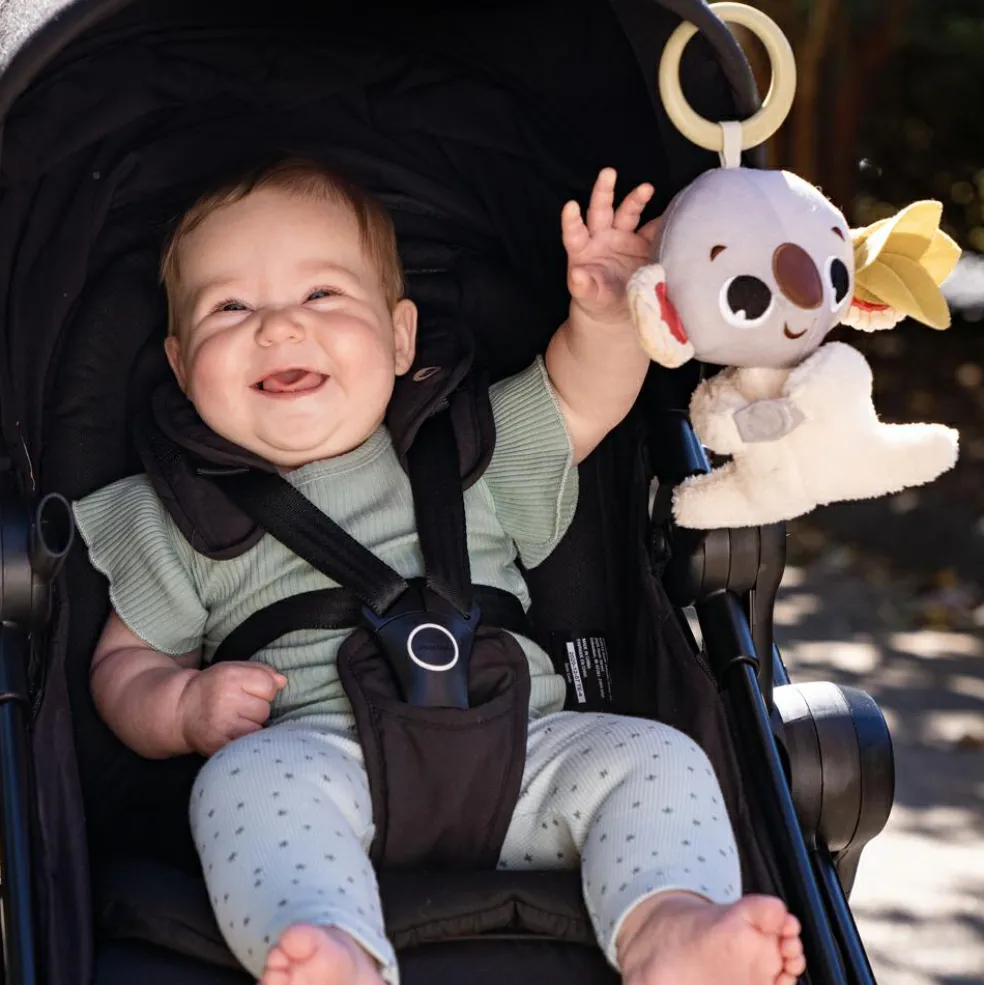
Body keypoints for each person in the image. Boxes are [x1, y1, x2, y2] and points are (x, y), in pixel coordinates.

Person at [74, 159, 806, 985]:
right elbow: (124, 665)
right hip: (328, 767)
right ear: (179, 365)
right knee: (242, 784)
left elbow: (580, 400)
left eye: (321, 297)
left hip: (526, 759)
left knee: (656, 758)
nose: (277, 328)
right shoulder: (175, 512)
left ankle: (668, 926)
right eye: (231, 307)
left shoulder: (467, 447)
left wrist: (604, 314)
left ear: (399, 337)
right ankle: (336, 946)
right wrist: (180, 707)